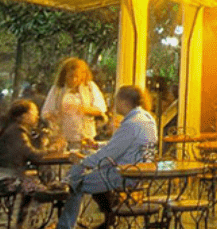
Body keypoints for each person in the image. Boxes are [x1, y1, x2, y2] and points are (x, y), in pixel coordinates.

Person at [57, 86, 158, 229]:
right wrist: (96, 146)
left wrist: (82, 160)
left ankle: (66, 224)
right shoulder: (147, 118)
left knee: (76, 183)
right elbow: (121, 145)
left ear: (124, 102)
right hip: (138, 171)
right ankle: (108, 217)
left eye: (116, 101)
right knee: (85, 169)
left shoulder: (132, 123)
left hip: (125, 174)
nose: (114, 105)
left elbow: (109, 154)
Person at [43, 57, 107, 149]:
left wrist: (83, 109)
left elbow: (100, 110)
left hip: (85, 137)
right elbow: (46, 113)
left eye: (77, 76)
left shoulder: (89, 87)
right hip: (62, 138)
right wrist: (56, 116)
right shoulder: (57, 90)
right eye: (71, 76)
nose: (74, 80)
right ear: (65, 75)